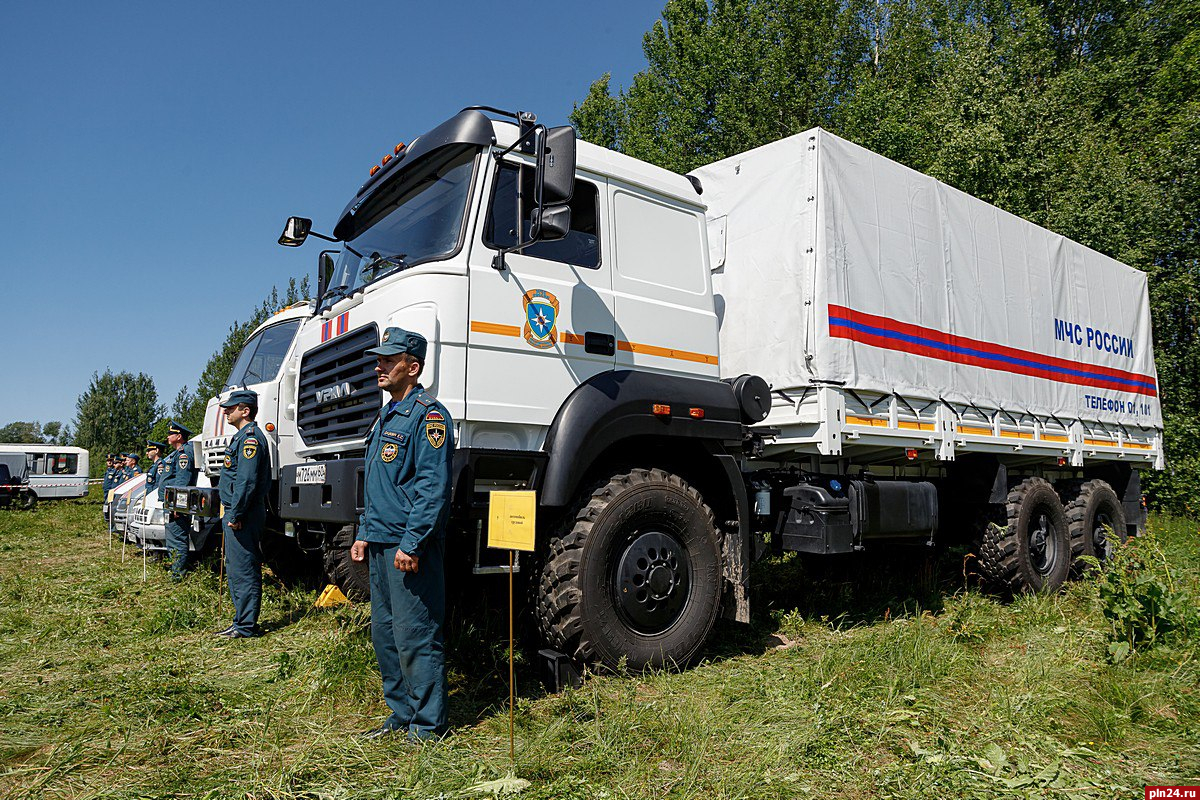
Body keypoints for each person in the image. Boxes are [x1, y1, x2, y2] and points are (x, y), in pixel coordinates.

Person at [351, 327, 454, 742]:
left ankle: (428, 726)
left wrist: (412, 543)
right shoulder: (387, 415)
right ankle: (401, 714)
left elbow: (432, 488)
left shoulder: (429, 416)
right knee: (386, 634)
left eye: (388, 360)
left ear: (412, 368)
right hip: (379, 543)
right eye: (379, 359)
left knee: (415, 635)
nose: (379, 366)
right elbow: (379, 483)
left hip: (406, 548)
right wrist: (362, 532)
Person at [215, 389, 270, 639]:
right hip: (238, 512)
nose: (226, 411)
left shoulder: (250, 439)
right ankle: (240, 621)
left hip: (244, 515)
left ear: (245, 410)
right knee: (236, 568)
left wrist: (235, 514)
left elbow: (246, 482)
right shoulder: (241, 437)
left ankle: (246, 625)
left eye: (231, 407)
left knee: (245, 569)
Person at [158, 421, 199, 580]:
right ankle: (176, 571)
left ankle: (178, 575)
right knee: (173, 538)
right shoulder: (177, 453)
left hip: (176, 505)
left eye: (171, 434)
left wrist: (177, 506)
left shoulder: (184, 453)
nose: (168, 436)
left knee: (177, 539)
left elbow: (183, 482)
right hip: (171, 504)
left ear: (179, 436)